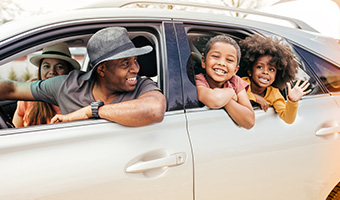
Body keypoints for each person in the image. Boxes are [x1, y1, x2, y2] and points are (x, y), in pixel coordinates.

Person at [0, 26, 166, 127]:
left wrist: (90, 111)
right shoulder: (67, 86)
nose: (136, 69)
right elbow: (12, 88)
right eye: (125, 63)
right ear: (102, 70)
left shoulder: (142, 86)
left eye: (135, 60)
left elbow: (155, 110)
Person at [238, 34, 311, 124]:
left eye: (271, 69)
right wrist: (255, 97)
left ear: (277, 75)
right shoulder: (241, 82)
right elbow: (232, 93)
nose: (265, 72)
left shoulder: (274, 94)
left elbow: (288, 119)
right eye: (260, 67)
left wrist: (292, 101)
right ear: (250, 71)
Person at [12, 42, 81, 127]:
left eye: (59, 67)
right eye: (46, 66)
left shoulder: (76, 97)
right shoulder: (29, 91)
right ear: (40, 69)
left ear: (68, 71)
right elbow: (15, 129)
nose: (52, 72)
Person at [195, 34, 255, 129]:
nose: (222, 63)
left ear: (235, 70)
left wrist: (226, 100)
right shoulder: (199, 80)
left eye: (229, 60)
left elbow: (249, 121)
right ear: (203, 62)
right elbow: (213, 100)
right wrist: (230, 93)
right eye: (215, 56)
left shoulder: (235, 81)